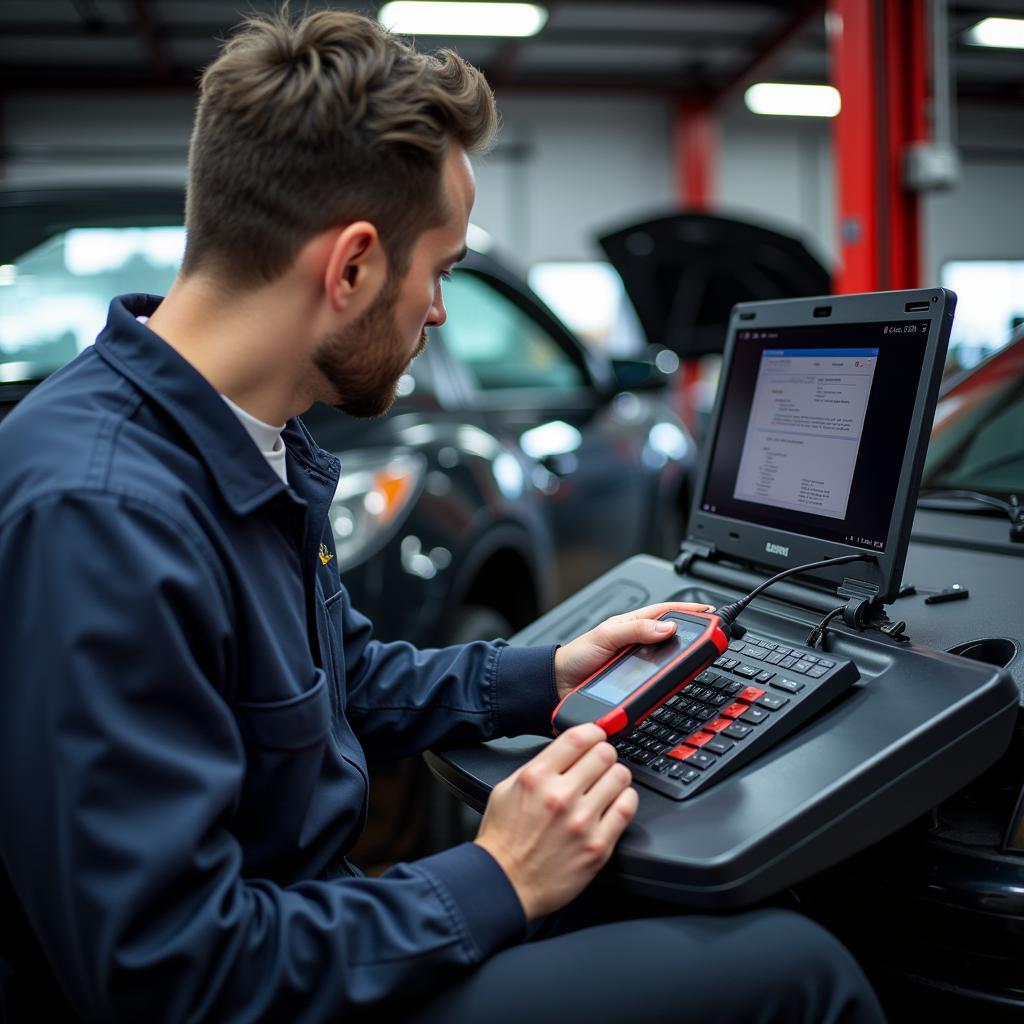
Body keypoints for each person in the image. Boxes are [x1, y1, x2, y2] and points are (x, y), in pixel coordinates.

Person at [0, 8, 886, 1023]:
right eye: (443, 270)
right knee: (797, 968)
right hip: (256, 989)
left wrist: (546, 673)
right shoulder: (102, 515)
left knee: (662, 882)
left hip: (304, 931)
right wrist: (492, 876)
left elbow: (334, 681)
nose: (437, 312)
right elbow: (168, 976)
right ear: (353, 267)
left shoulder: (236, 438)